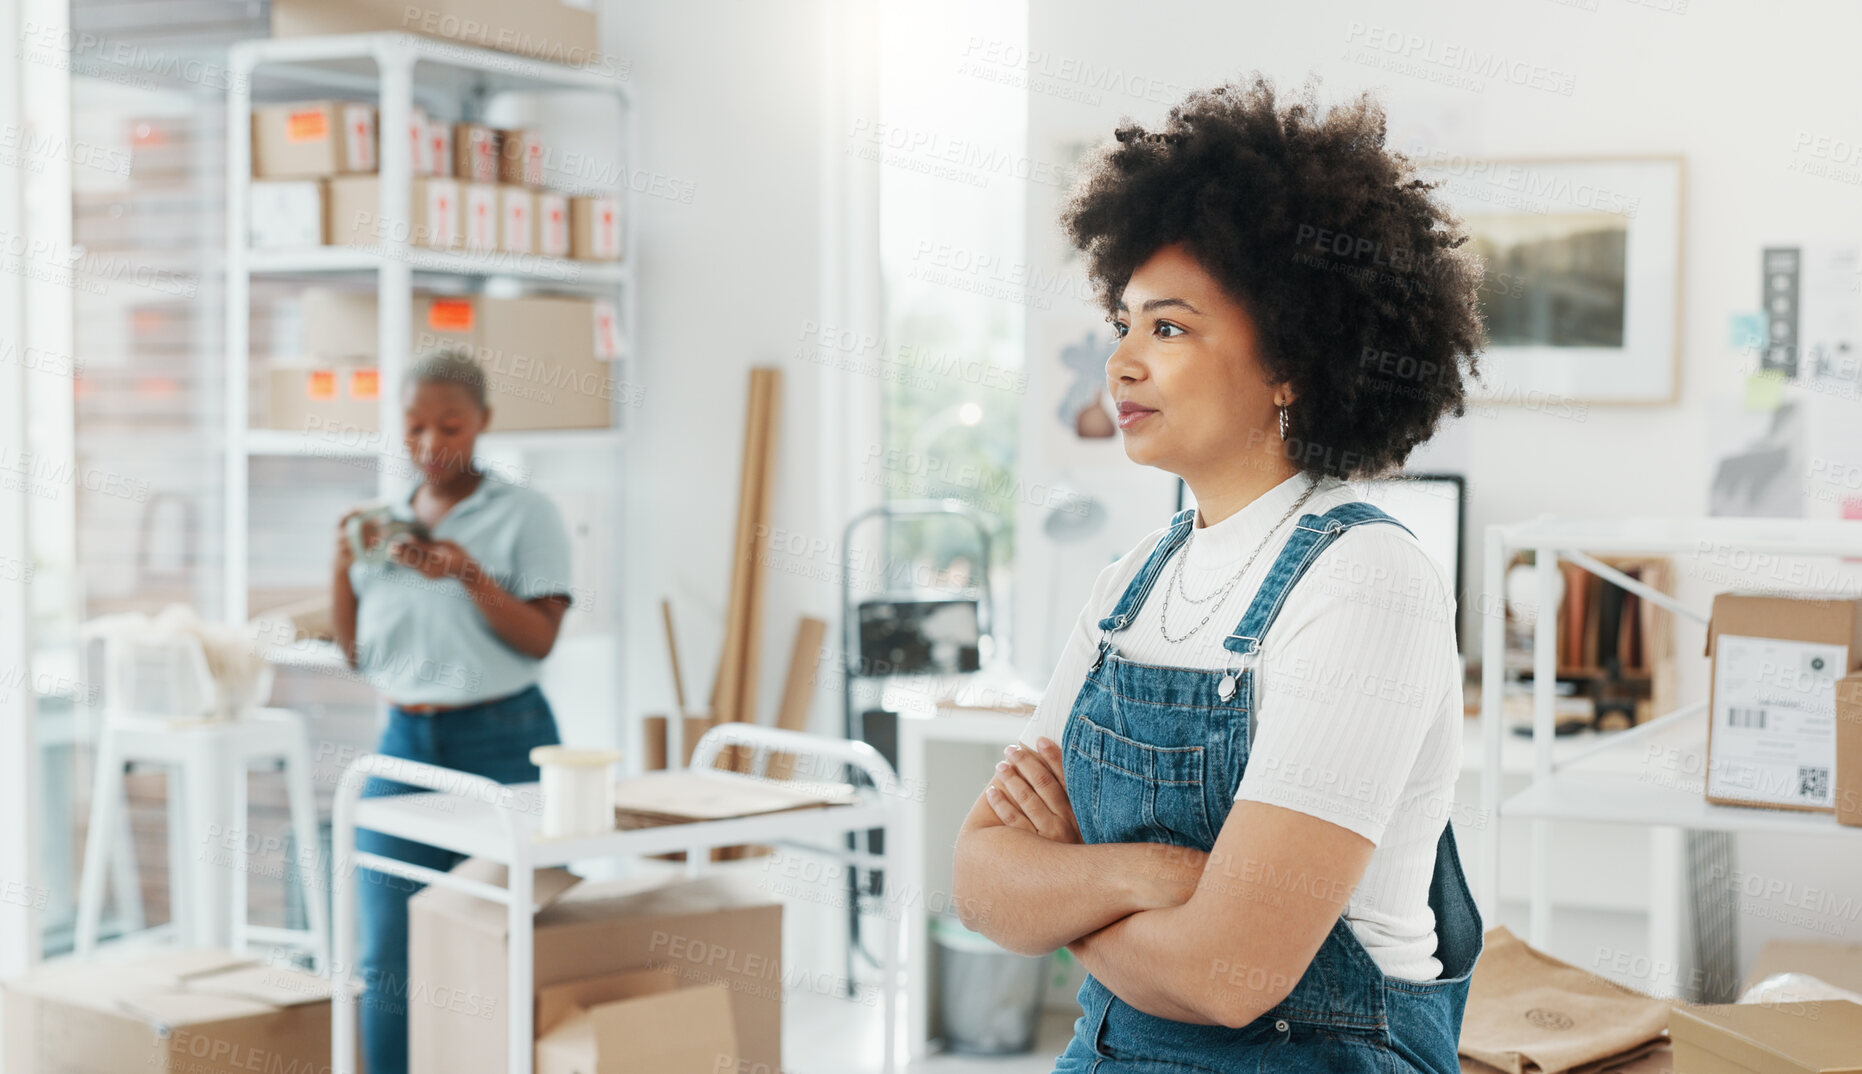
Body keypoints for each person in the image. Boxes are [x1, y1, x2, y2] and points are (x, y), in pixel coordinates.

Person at [951, 75, 1488, 1073]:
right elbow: (980, 885)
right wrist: (1157, 877)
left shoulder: (1364, 581)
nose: (1118, 364)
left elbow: (1230, 976)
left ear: (1289, 363)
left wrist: (1066, 888)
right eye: (1122, 323)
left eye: (1167, 328)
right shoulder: (1130, 586)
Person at [330, 347, 575, 1074]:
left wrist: (469, 573)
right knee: (388, 953)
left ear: (483, 424)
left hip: (505, 741)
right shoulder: (385, 524)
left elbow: (539, 639)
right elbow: (355, 653)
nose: (431, 445)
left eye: (450, 427)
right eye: (414, 428)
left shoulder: (527, 514)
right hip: (403, 743)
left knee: (508, 942)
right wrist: (340, 563)